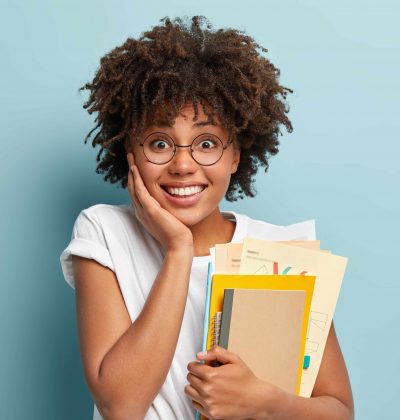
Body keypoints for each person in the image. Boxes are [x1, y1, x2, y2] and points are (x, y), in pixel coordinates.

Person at [60, 15, 354, 420]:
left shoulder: (281, 253)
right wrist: (178, 250)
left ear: (236, 154)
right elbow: (121, 406)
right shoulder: (103, 233)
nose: (183, 164)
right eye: (160, 142)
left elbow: (339, 410)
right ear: (130, 150)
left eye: (207, 143)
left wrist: (264, 401)